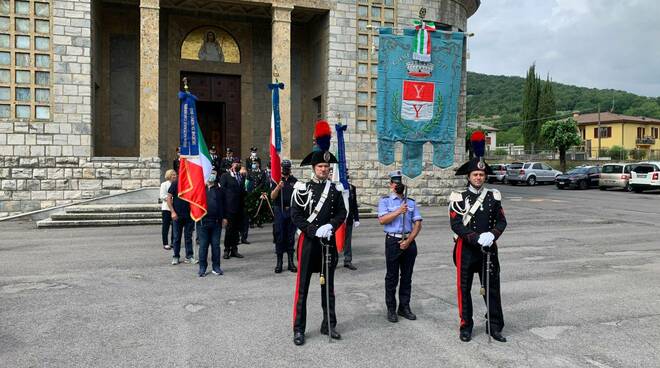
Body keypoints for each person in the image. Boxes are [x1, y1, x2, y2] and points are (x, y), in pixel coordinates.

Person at [290, 121, 347, 346]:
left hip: (328, 244)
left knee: (328, 287)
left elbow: (342, 213)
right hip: (309, 243)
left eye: (327, 167)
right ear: (313, 168)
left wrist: (331, 226)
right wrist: (315, 230)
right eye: (321, 167)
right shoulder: (302, 188)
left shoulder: (334, 190)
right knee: (302, 288)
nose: (324, 170)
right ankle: (298, 329)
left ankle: (329, 324)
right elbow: (296, 215)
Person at [449, 145, 507, 343]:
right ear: (468, 176)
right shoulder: (458, 197)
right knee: (463, 289)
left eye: (481, 174)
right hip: (465, 249)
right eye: (475, 174)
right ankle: (466, 326)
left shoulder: (493, 196)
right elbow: (456, 224)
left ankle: (495, 326)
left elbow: (501, 221)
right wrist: (475, 238)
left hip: (488, 250)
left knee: (492, 288)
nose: (478, 178)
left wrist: (493, 234)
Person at [377, 170, 422, 323]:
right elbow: (382, 220)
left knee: (407, 276)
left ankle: (404, 307)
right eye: (395, 183)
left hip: (409, 241)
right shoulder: (385, 201)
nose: (398, 185)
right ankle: (391, 308)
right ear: (391, 185)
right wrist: (398, 211)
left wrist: (409, 240)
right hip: (393, 241)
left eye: (400, 183)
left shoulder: (411, 202)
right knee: (392, 277)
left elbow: (418, 223)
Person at [271, 159, 297, 273]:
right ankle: (279, 263)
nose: (285, 169)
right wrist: (278, 187)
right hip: (279, 211)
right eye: (284, 167)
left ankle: (291, 262)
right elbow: (272, 196)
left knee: (290, 237)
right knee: (279, 237)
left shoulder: (294, 181)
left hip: (291, 211)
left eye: (287, 167)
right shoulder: (276, 180)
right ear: (281, 168)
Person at [197, 169, 225, 277]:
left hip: (216, 223)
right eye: (210, 174)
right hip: (203, 222)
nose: (212, 176)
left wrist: (224, 218)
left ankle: (216, 267)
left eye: (214, 174)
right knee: (203, 246)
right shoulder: (200, 189)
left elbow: (223, 204)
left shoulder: (219, 190)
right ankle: (202, 268)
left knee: (216, 246)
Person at [219, 156, 245, 259]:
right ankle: (227, 250)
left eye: (239, 164)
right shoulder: (225, 176)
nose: (237, 165)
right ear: (232, 165)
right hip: (229, 208)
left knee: (237, 230)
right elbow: (222, 192)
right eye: (236, 163)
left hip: (239, 207)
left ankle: (235, 249)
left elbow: (242, 191)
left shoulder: (241, 177)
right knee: (229, 230)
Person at [167, 176, 196, 265]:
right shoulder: (175, 183)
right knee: (176, 238)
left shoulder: (192, 182)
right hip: (177, 216)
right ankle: (176, 256)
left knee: (188, 237)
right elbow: (169, 198)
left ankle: (189, 256)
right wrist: (172, 212)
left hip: (189, 216)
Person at [343, 173, 360, 270]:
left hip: (348, 218)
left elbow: (354, 204)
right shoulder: (334, 187)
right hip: (335, 220)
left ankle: (347, 260)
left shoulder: (352, 188)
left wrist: (356, 218)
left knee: (347, 240)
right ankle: (331, 261)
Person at [160, 169, 177, 250]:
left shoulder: (177, 184)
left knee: (175, 226)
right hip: (166, 208)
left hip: (175, 208)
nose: (174, 176)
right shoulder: (164, 184)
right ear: (169, 176)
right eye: (173, 174)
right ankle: (165, 243)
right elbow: (162, 196)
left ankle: (173, 242)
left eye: (175, 174)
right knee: (166, 226)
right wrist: (170, 199)